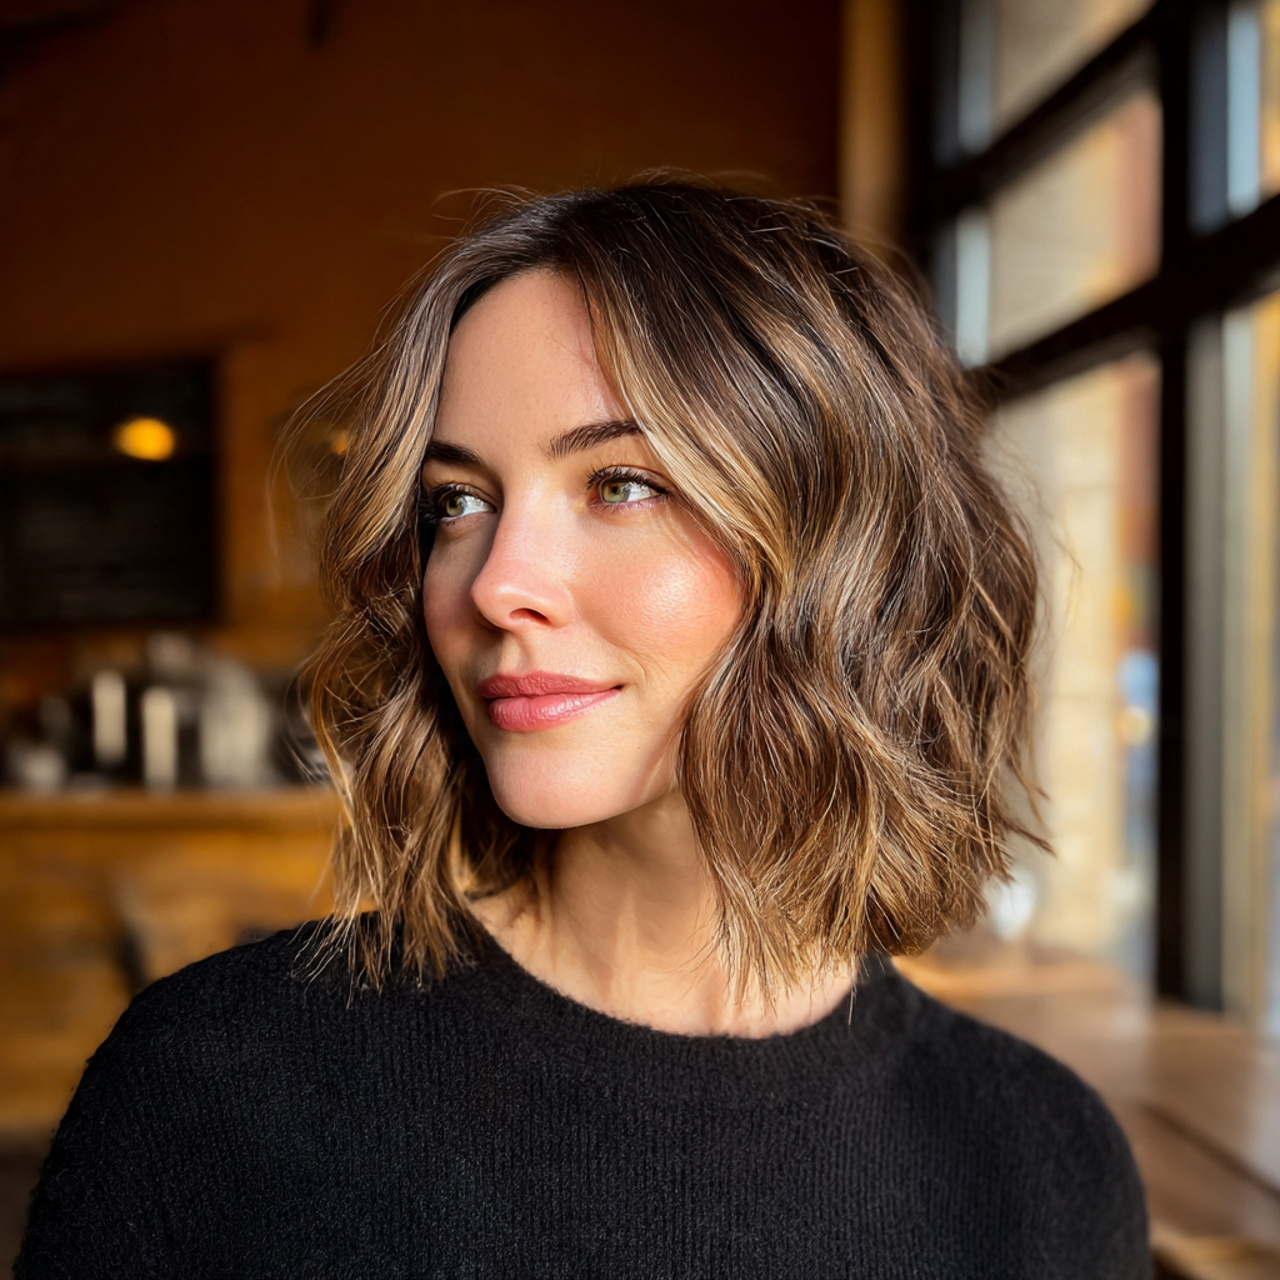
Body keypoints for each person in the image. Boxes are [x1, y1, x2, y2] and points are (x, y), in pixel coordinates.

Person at [17, 178, 1149, 1279]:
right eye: (454, 502)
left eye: (620, 483)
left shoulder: (1040, 1161)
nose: (494, 581)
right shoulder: (215, 1084)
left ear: (845, 544)